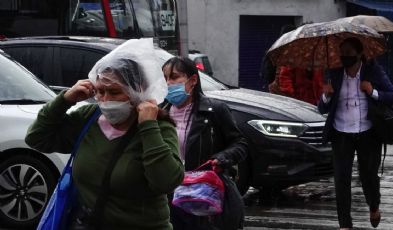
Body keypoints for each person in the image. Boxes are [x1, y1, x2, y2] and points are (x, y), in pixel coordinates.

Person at [25, 39, 184, 230]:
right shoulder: (88, 118)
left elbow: (166, 181)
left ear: (137, 90)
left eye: (114, 92)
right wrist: (65, 100)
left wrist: (148, 126)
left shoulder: (159, 127)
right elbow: (36, 138)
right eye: (100, 92)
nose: (106, 100)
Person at [318, 37, 393, 230]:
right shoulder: (334, 74)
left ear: (360, 54)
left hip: (368, 132)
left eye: (349, 53)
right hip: (341, 131)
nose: (345, 57)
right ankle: (345, 224)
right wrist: (326, 96)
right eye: (342, 53)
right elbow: (322, 108)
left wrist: (372, 92)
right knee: (341, 178)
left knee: (368, 175)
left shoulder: (373, 71)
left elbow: (392, 94)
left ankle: (374, 205)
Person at [161, 57, 248, 230]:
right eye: (165, 78)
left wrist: (222, 158)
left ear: (193, 80)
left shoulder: (215, 111)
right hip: (168, 197)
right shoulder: (159, 113)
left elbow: (240, 144)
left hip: (202, 196)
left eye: (174, 77)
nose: (169, 83)